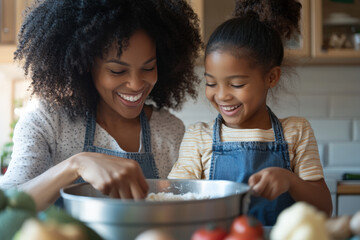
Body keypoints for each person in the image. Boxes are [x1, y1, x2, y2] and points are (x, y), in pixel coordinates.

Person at [0, 0, 202, 211]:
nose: (136, 84)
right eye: (117, 71)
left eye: (148, 67)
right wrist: (76, 165)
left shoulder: (170, 130)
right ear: (85, 65)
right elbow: (5, 208)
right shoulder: (48, 121)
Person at [169, 0, 332, 226]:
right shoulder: (197, 137)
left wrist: (290, 181)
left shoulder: (296, 131)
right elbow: (174, 204)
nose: (222, 95)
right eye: (211, 83)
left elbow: (324, 208)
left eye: (236, 84)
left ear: (271, 77)